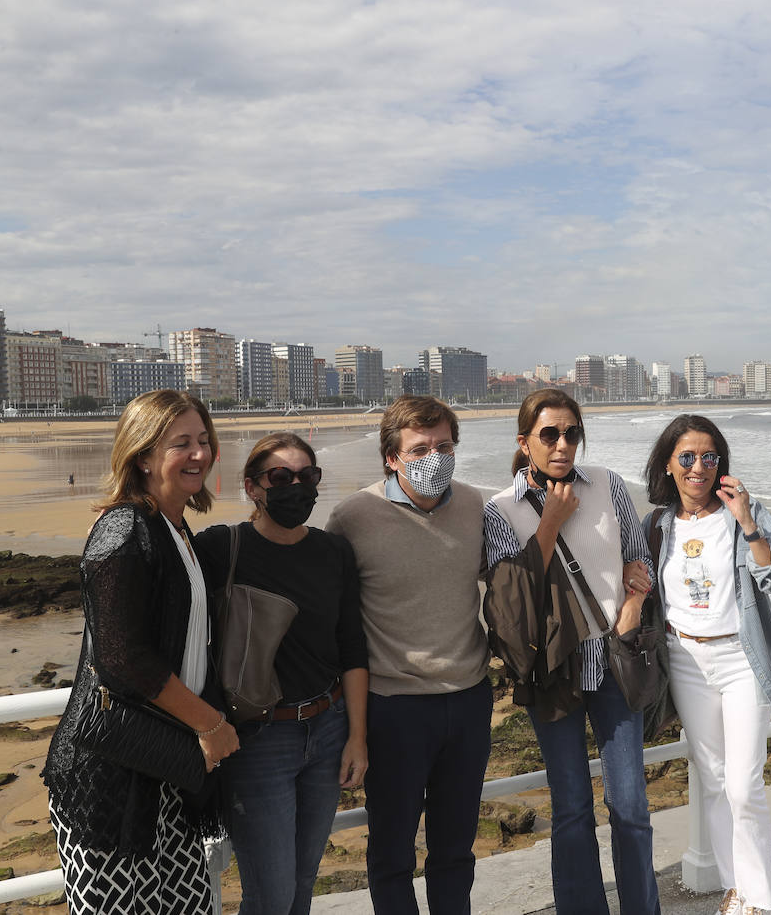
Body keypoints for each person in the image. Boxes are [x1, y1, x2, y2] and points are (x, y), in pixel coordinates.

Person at [42, 389, 239, 913]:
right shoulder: (125, 530)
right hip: (108, 777)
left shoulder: (173, 527)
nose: (199, 453)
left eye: (203, 440)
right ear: (144, 456)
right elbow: (122, 659)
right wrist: (212, 725)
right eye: (181, 444)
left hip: (167, 763)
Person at [483, 388, 660, 914]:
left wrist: (634, 600)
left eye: (572, 433)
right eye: (549, 434)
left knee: (629, 804)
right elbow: (509, 594)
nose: (563, 444)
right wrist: (551, 523)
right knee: (573, 808)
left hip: (613, 661)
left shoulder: (608, 484)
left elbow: (638, 555)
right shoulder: (500, 510)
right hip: (550, 670)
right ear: (525, 441)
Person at [325, 395, 492, 913]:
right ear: (392, 458)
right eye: (420, 448)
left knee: (455, 848)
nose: (435, 456)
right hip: (393, 708)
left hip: (469, 699)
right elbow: (330, 609)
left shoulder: (474, 507)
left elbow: (516, 582)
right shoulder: (355, 516)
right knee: (392, 852)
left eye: (444, 445)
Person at [192, 433, 369, 915]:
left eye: (307, 476)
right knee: (270, 894)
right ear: (252, 487)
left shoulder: (334, 552)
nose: (297, 487)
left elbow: (352, 647)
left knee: (303, 879)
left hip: (328, 730)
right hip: (257, 740)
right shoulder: (220, 547)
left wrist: (357, 736)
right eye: (280, 477)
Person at [641, 415, 771, 915]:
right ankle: (738, 890)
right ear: (669, 463)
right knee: (710, 776)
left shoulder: (740, 514)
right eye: (687, 457)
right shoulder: (658, 524)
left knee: (743, 784)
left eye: (710, 457)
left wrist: (749, 523)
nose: (699, 467)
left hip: (740, 658)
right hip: (685, 659)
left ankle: (762, 901)